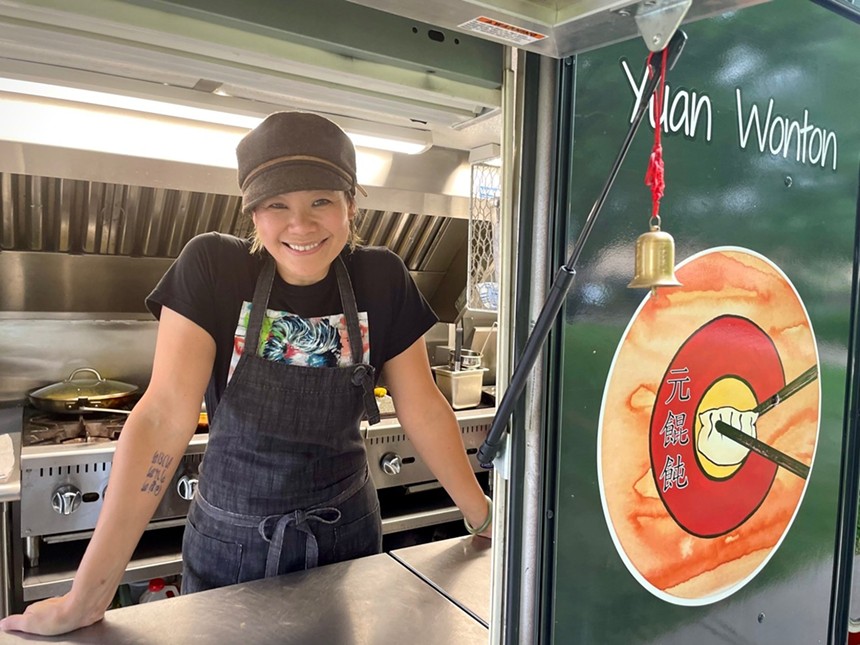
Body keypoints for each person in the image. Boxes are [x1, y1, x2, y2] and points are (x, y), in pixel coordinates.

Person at [0, 111, 492, 636]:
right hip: (230, 545)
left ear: (351, 204)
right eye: (277, 205)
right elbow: (164, 416)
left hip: (346, 537)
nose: (300, 225)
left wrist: (483, 518)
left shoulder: (382, 276)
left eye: (320, 201)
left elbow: (421, 406)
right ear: (253, 212)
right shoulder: (212, 266)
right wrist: (88, 595)